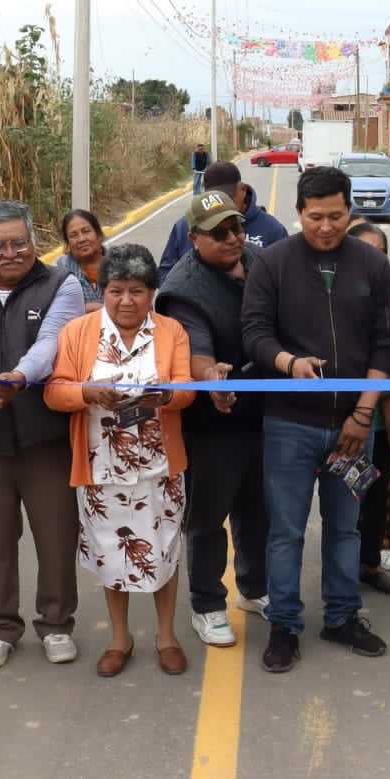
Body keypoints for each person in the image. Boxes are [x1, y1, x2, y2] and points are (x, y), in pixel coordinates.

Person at [241, 165, 390, 673]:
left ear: (349, 210)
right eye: (316, 217)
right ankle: (285, 624)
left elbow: (388, 340)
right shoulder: (273, 263)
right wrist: (289, 364)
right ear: (298, 214)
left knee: (346, 527)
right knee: (286, 530)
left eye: (337, 215)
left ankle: (341, 616)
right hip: (289, 423)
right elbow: (254, 333)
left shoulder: (372, 266)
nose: (327, 226)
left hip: (354, 426)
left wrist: (363, 413)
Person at [45, 244, 195, 678]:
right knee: (113, 554)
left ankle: (166, 636)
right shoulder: (77, 332)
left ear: (151, 292)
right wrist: (87, 392)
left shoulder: (171, 332)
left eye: (136, 291)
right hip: (100, 468)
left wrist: (164, 394)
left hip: (160, 470)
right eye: (115, 291)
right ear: (102, 290)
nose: (126, 301)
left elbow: (187, 390)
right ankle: (119, 638)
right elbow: (55, 391)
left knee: (164, 551)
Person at [0, 202, 86, 670]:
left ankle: (55, 623)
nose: (10, 253)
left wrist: (15, 377)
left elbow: (53, 343)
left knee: (55, 535)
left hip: (45, 437)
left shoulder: (61, 285)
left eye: (19, 243)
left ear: (34, 242)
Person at [155, 191, 270, 649]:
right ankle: (207, 604)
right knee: (207, 516)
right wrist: (213, 377)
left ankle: (256, 589)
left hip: (265, 414)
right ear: (194, 238)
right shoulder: (184, 288)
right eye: (218, 233)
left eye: (237, 228)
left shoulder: (261, 263)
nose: (232, 238)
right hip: (212, 422)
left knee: (258, 510)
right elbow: (197, 352)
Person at [346, 223, 390, 597]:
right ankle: (341, 571)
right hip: (343, 419)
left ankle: (370, 562)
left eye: (378, 251)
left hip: (382, 421)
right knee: (348, 498)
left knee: (378, 490)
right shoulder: (333, 292)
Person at [159, 160, 288, 282]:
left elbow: (285, 279)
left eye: (228, 196)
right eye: (216, 197)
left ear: (243, 189)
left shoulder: (272, 229)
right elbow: (165, 274)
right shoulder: (186, 226)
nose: (222, 203)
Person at [54, 209, 106, 313]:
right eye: (73, 235)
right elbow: (55, 311)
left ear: (98, 233)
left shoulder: (121, 261)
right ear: (67, 242)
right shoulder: (59, 270)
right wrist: (86, 308)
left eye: (86, 231)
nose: (81, 239)